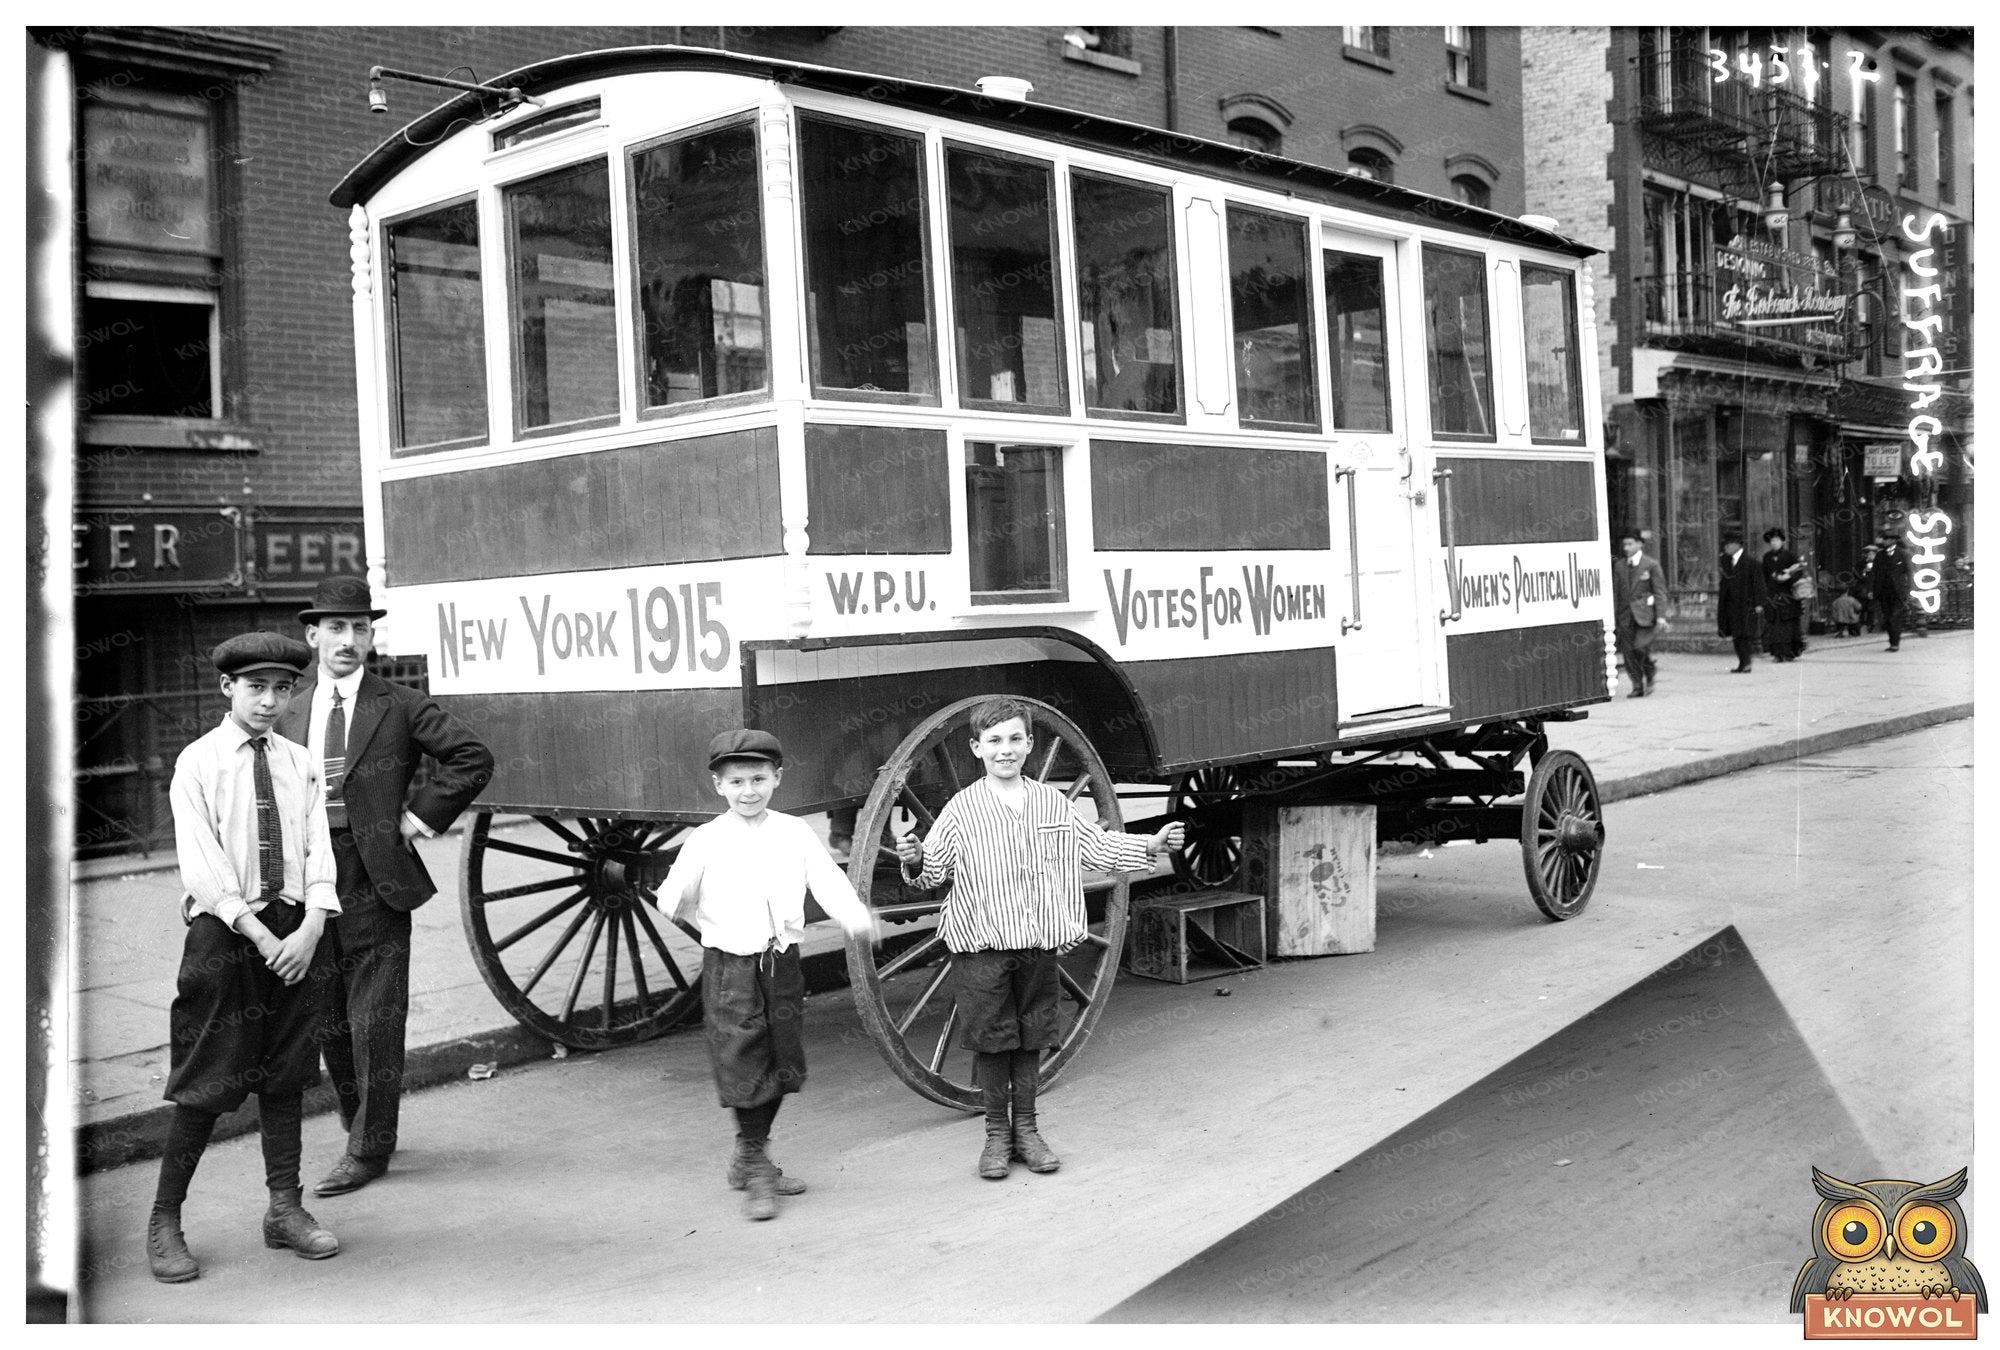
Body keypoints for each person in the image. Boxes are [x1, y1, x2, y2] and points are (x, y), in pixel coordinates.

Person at [893, 698, 1185, 1179]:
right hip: (981, 947)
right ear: (977, 748)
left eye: (1014, 739)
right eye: (994, 741)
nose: (1004, 750)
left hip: (1036, 944)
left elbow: (1096, 847)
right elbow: (934, 871)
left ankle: (1027, 1130)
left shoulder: (1052, 804)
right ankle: (996, 1135)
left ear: (1029, 744)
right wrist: (916, 857)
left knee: (1031, 1037)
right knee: (993, 1041)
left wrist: (1149, 844)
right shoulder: (961, 809)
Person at [274, 575, 494, 1197]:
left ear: (371, 637)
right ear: (312, 635)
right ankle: (360, 1124)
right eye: (336, 628)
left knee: (374, 1017)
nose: (348, 640)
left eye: (360, 629)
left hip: (374, 873)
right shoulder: (288, 707)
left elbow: (472, 758)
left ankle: (370, 1148)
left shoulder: (398, 704)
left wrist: (416, 821)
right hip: (305, 877)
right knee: (327, 1015)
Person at [149, 633, 342, 1283]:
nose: (269, 702)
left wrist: (311, 926)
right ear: (227, 688)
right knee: (207, 1079)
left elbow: (318, 848)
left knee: (287, 1073)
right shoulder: (199, 763)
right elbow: (202, 866)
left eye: (282, 689)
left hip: (296, 932)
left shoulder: (300, 761)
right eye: (256, 687)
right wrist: (261, 936)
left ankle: (285, 1210)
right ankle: (164, 1220)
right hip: (228, 937)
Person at [656, 729, 877, 1220]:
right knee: (743, 1060)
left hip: (781, 963)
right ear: (718, 785)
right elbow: (671, 896)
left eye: (758, 779)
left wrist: (856, 917)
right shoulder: (707, 839)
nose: (748, 791)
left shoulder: (793, 832)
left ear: (777, 778)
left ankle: (747, 1153)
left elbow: (827, 880)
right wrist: (697, 915)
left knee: (783, 1059)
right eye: (736, 782)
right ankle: (757, 1164)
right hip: (731, 968)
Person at [1611, 530, 1669, 697]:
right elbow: (1615, 592)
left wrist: (1661, 616)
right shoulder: (1619, 565)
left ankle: (1649, 670)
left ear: (1640, 544)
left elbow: (1659, 592)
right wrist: (1613, 615)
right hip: (1624, 615)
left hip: (1646, 616)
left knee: (1640, 648)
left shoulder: (1651, 565)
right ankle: (1637, 685)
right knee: (1628, 652)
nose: (1626, 548)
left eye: (1630, 544)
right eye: (1624, 545)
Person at [1715, 533, 1768, 674]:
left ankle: (1746, 663)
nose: (1725, 548)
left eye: (1728, 545)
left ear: (1737, 545)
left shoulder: (1751, 563)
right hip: (1731, 605)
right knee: (1736, 634)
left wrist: (1759, 603)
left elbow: (1759, 584)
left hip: (1746, 604)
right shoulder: (1726, 562)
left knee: (1745, 634)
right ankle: (1742, 663)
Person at [1760, 529, 1805, 662]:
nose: (1774, 543)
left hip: (1788, 595)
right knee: (1774, 624)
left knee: (1788, 624)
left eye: (1777, 540)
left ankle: (1788, 652)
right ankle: (1777, 653)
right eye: (1772, 541)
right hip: (1773, 594)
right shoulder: (1767, 557)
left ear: (1782, 541)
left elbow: (1799, 571)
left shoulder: (1790, 556)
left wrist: (1789, 576)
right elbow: (1764, 575)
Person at [1870, 528, 1912, 652]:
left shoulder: (1903, 554)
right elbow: (1874, 573)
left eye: (1886, 539)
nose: (1884, 541)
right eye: (1884, 539)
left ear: (1893, 540)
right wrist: (1871, 589)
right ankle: (1892, 641)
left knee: (1895, 617)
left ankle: (1895, 643)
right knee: (1887, 617)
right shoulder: (1880, 555)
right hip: (1883, 591)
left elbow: (1909, 572)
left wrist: (1909, 589)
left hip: (1898, 591)